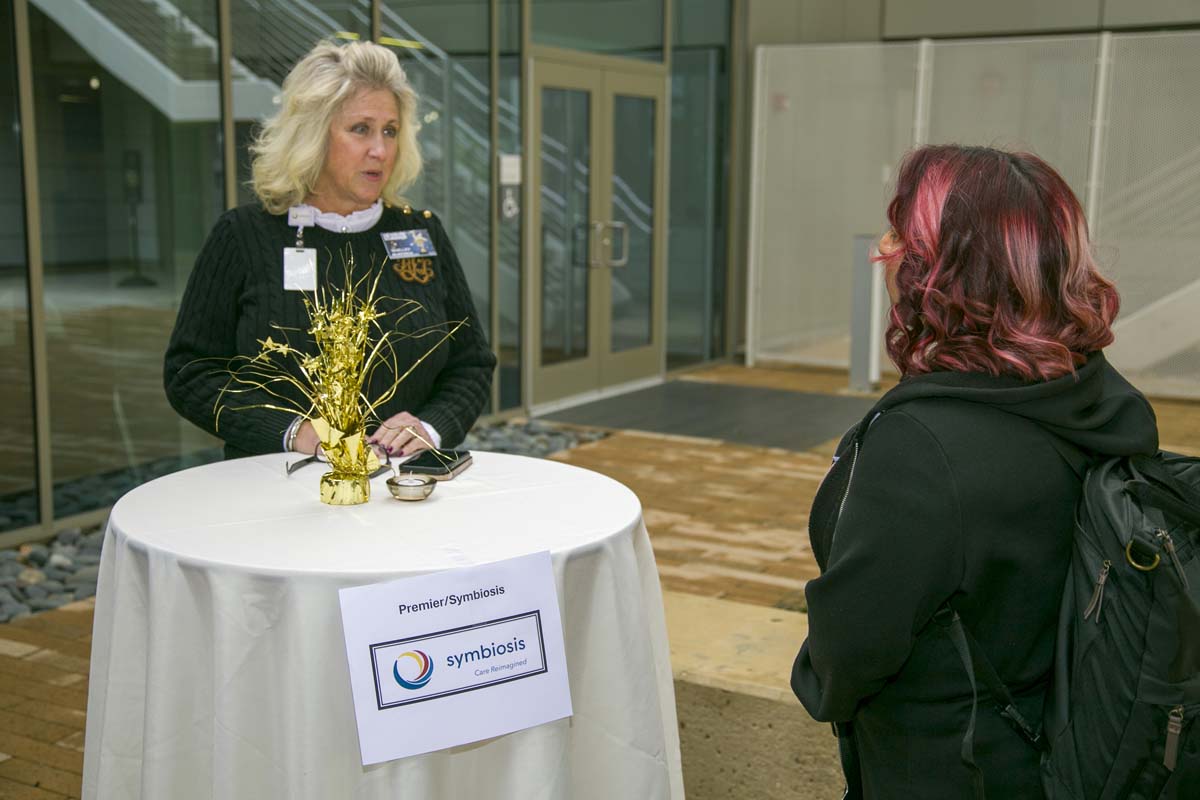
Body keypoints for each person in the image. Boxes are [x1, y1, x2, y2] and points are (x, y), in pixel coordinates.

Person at [790, 145, 1160, 798]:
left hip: (946, 770)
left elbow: (850, 650)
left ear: (937, 272)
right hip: (1069, 751)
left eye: (899, 236)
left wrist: (818, 676)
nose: (886, 251)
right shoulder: (1107, 403)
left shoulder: (921, 450)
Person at [164, 40, 494, 460]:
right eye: (361, 129)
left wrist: (430, 426)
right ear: (313, 135)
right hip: (274, 491)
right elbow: (191, 373)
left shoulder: (421, 233)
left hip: (403, 492)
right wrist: (295, 433)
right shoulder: (242, 236)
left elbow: (471, 363)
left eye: (390, 130)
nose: (381, 149)